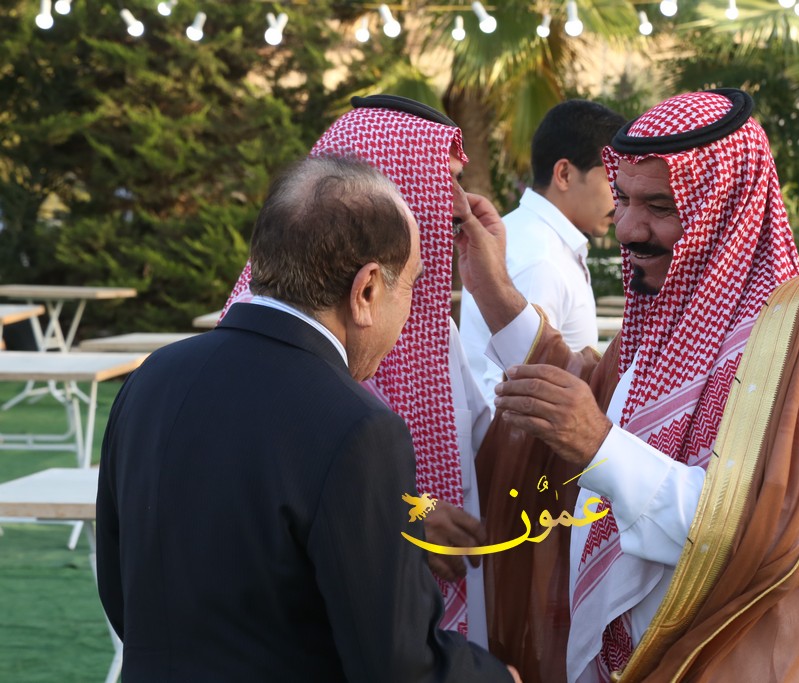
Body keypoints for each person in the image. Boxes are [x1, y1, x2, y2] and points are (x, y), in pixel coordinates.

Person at [457, 89, 799, 682]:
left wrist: (599, 447)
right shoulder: (669, 306)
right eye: (624, 200)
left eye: (659, 206)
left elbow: (768, 528)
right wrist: (492, 289)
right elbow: (597, 400)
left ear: (724, 209)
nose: (628, 228)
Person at [96, 156, 518, 682]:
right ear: (367, 290)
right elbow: (398, 664)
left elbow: (120, 593)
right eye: (411, 285)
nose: (410, 312)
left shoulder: (153, 377)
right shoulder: (360, 428)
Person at [220, 95, 492, 646]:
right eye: (445, 182)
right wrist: (401, 526)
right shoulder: (267, 342)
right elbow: (262, 489)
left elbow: (482, 440)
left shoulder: (431, 328)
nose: (461, 206)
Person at [459, 100, 626, 408]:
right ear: (564, 174)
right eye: (612, 179)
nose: (621, 196)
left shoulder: (538, 241)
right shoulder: (539, 259)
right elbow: (512, 397)